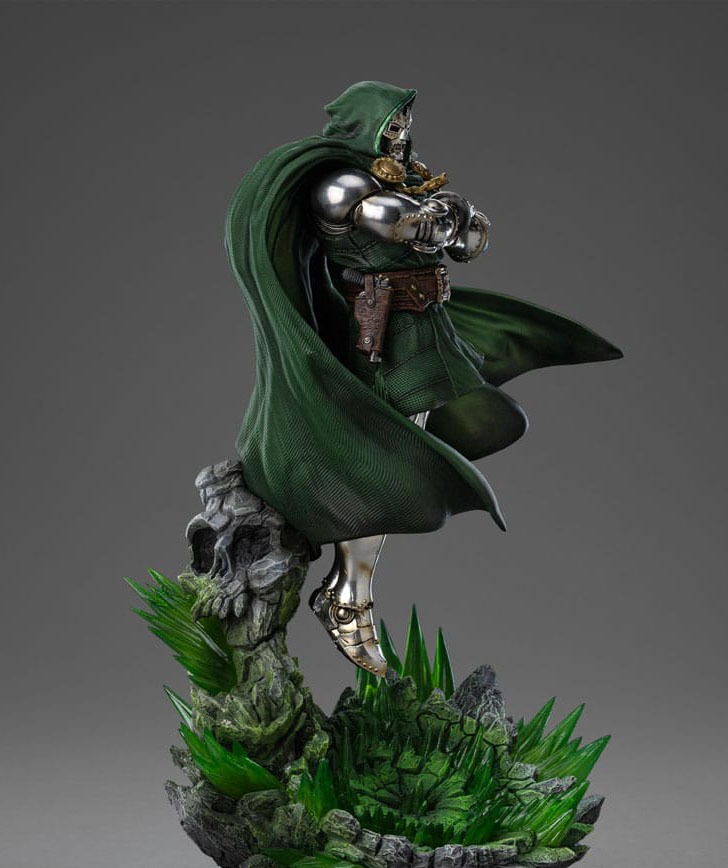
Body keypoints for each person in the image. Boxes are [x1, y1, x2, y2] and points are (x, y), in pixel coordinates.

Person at [225, 81, 622, 677]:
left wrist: (451, 217)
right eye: (391, 122)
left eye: (404, 121)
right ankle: (349, 595)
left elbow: (472, 239)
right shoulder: (342, 185)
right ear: (363, 123)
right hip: (383, 339)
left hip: (426, 328)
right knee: (388, 454)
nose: (401, 132)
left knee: (404, 443)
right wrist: (443, 216)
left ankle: (349, 589)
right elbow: (406, 227)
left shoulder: (406, 178)